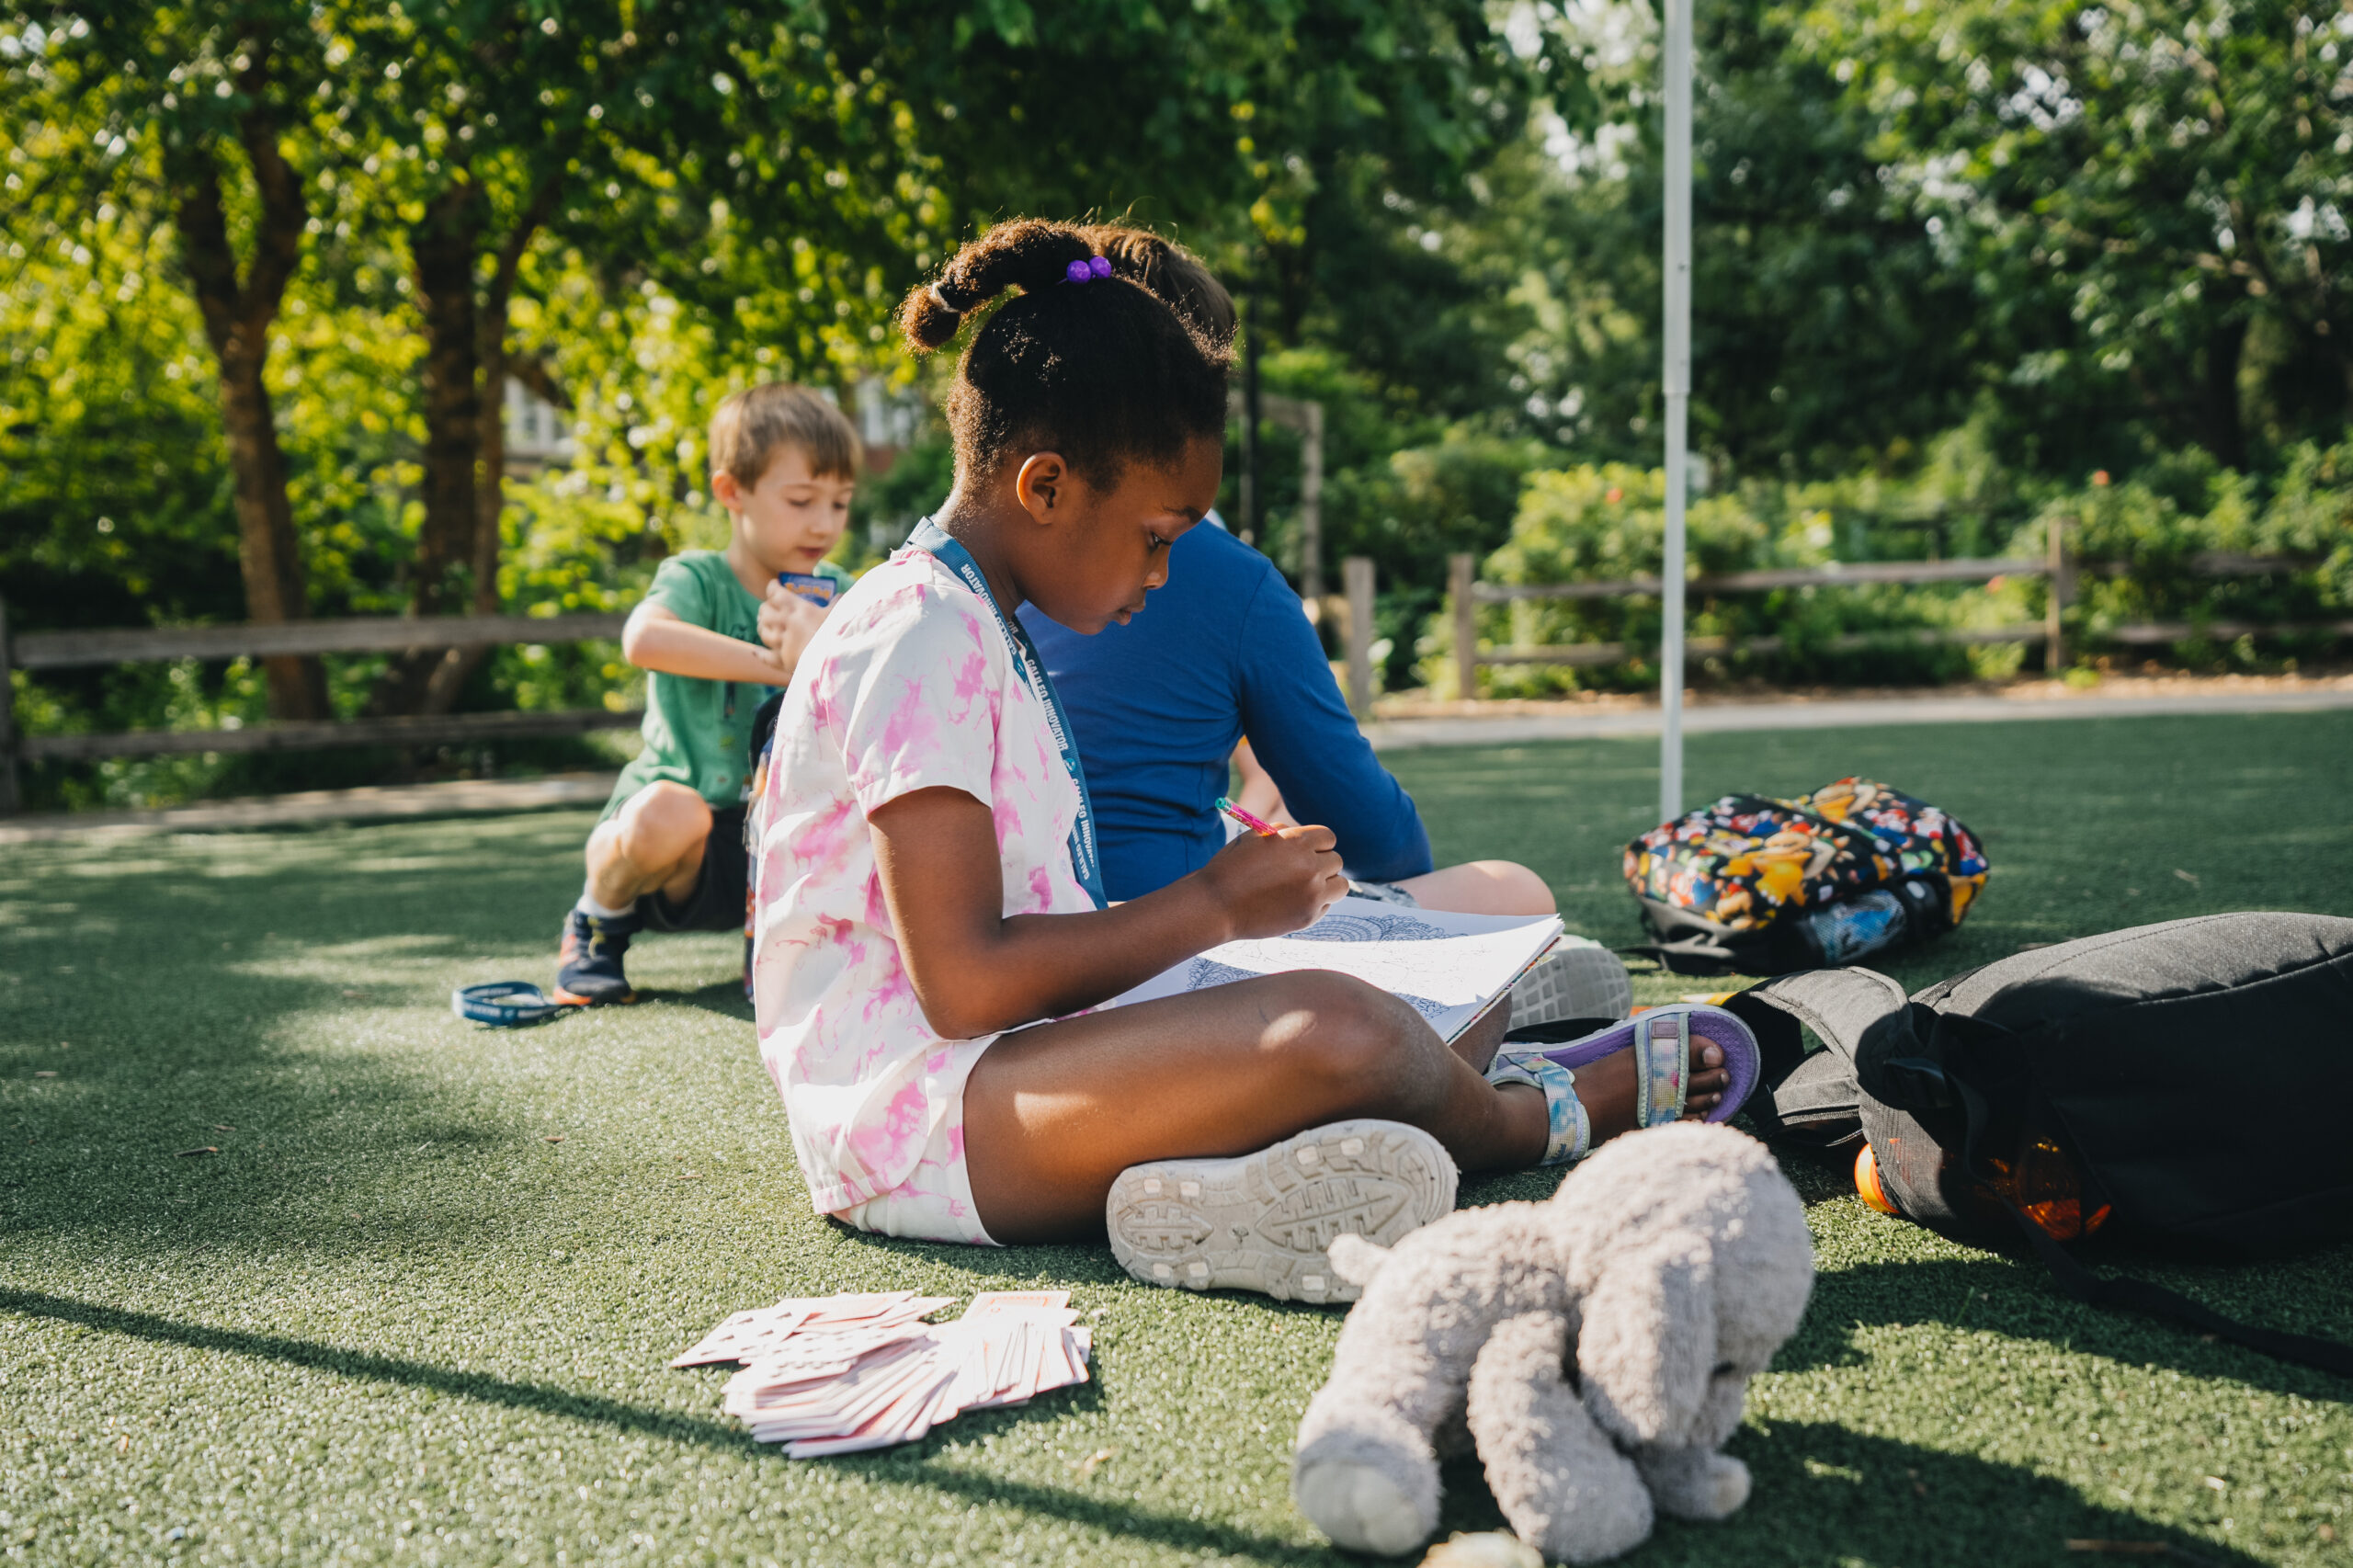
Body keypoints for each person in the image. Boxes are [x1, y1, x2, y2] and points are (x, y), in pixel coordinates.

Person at [748, 219, 1740, 1292]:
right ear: (1044, 487)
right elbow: (964, 984)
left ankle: (1240, 1184)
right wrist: (1216, 906)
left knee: (1415, 989)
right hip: (922, 1121)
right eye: (1158, 535)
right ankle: (1526, 1115)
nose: (1165, 574)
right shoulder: (917, 629)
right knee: (1345, 1025)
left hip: (1024, 1066)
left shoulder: (980, 616)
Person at [1020, 227, 1624, 1024]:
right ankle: (1456, 1012)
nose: (1155, 576)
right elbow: (1382, 843)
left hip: (1031, 965)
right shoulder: (1228, 580)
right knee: (1512, 890)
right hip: (1159, 970)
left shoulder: (969, 578)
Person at [553, 383, 859, 1006]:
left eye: (841, 503)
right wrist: (783, 667)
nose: (824, 523)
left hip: (780, 839)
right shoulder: (697, 578)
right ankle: (597, 920)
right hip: (684, 847)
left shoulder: (837, 590)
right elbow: (644, 639)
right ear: (731, 492)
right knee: (672, 813)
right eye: (801, 500)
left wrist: (827, 646)